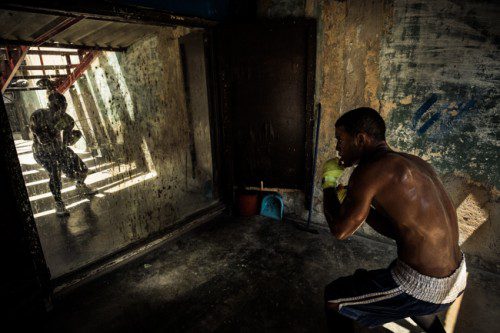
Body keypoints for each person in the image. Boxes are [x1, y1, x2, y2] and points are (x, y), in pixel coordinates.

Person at [322, 107, 466, 332]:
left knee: (334, 297)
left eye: (340, 139)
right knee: (371, 283)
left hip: (424, 286)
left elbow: (340, 231)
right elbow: (397, 230)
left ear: (360, 139)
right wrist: (358, 206)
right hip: (457, 276)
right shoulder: (414, 162)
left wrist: (328, 183)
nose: (337, 147)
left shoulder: (369, 170)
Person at [30, 92, 97, 216]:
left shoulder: (67, 120)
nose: (59, 110)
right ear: (49, 105)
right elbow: (42, 139)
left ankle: (80, 184)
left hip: (59, 149)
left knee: (83, 169)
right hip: (42, 152)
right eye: (56, 107)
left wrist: (75, 136)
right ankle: (59, 202)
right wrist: (50, 133)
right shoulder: (38, 116)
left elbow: (67, 143)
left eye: (62, 107)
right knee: (55, 171)